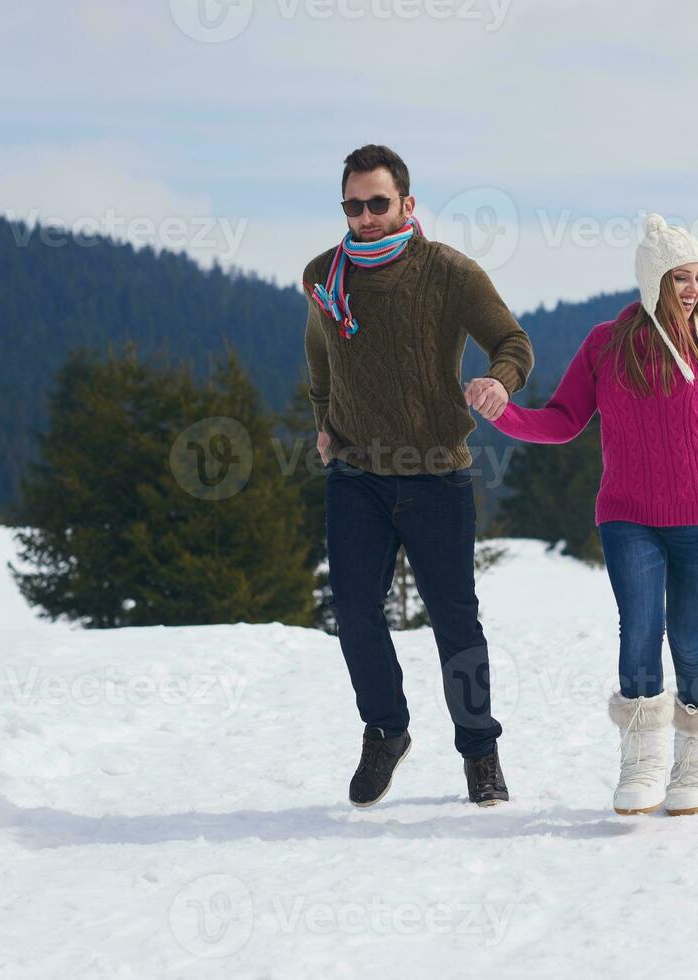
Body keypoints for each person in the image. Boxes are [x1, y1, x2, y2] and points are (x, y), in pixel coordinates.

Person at [485, 214, 698, 816]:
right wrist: (505, 414)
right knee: (638, 631)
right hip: (628, 515)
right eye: (679, 277)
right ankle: (642, 760)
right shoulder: (605, 343)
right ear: (652, 279)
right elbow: (562, 420)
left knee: (688, 635)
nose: (692, 289)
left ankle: (695, 764)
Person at [302, 144, 534, 808]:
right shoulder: (324, 275)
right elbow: (318, 346)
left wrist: (498, 380)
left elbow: (512, 342)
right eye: (354, 205)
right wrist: (323, 416)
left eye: (379, 203)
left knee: (455, 621)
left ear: (406, 204)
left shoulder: (449, 272)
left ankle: (479, 751)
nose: (366, 217)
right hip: (356, 473)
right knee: (352, 612)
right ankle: (386, 730)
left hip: (437, 474)